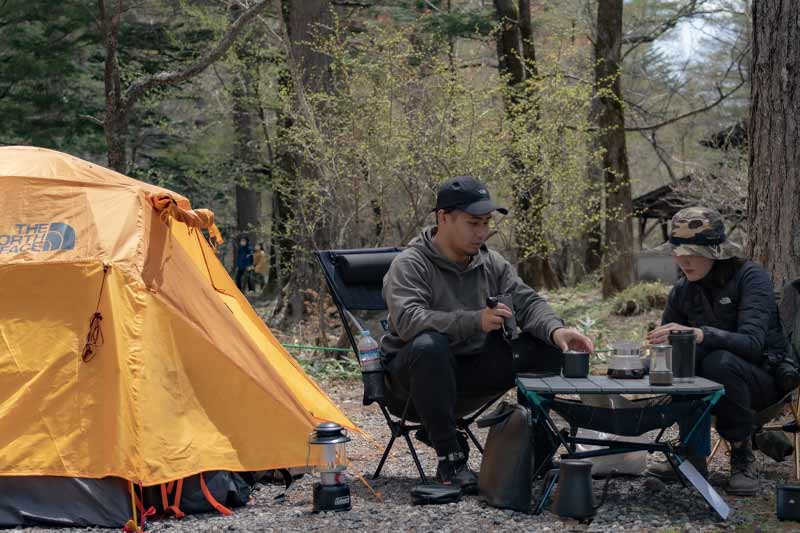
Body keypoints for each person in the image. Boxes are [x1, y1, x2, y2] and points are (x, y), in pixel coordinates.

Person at [381, 176, 593, 493]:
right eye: (473, 223)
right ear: (443, 218)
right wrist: (474, 321)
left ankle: (535, 449)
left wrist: (557, 330)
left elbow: (527, 302)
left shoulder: (490, 262)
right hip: (410, 386)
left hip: (470, 374)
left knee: (546, 346)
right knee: (429, 345)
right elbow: (410, 321)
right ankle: (450, 458)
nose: (482, 232)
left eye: (486, 223)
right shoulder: (410, 264)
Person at [645, 206, 792, 496]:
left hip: (764, 379)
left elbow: (752, 344)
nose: (682, 259)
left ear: (714, 251)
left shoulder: (751, 278)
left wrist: (701, 333)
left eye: (692, 253)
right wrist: (655, 353)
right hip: (717, 377)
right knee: (683, 361)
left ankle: (741, 454)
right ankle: (692, 453)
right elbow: (669, 344)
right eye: (677, 251)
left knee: (718, 362)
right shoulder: (683, 290)